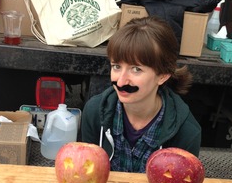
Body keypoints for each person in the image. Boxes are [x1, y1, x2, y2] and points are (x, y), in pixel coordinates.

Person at [81, 16, 201, 173]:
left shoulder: (187, 132)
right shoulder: (94, 112)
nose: (121, 81)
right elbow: (84, 171)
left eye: (136, 69)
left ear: (163, 75)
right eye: (116, 66)